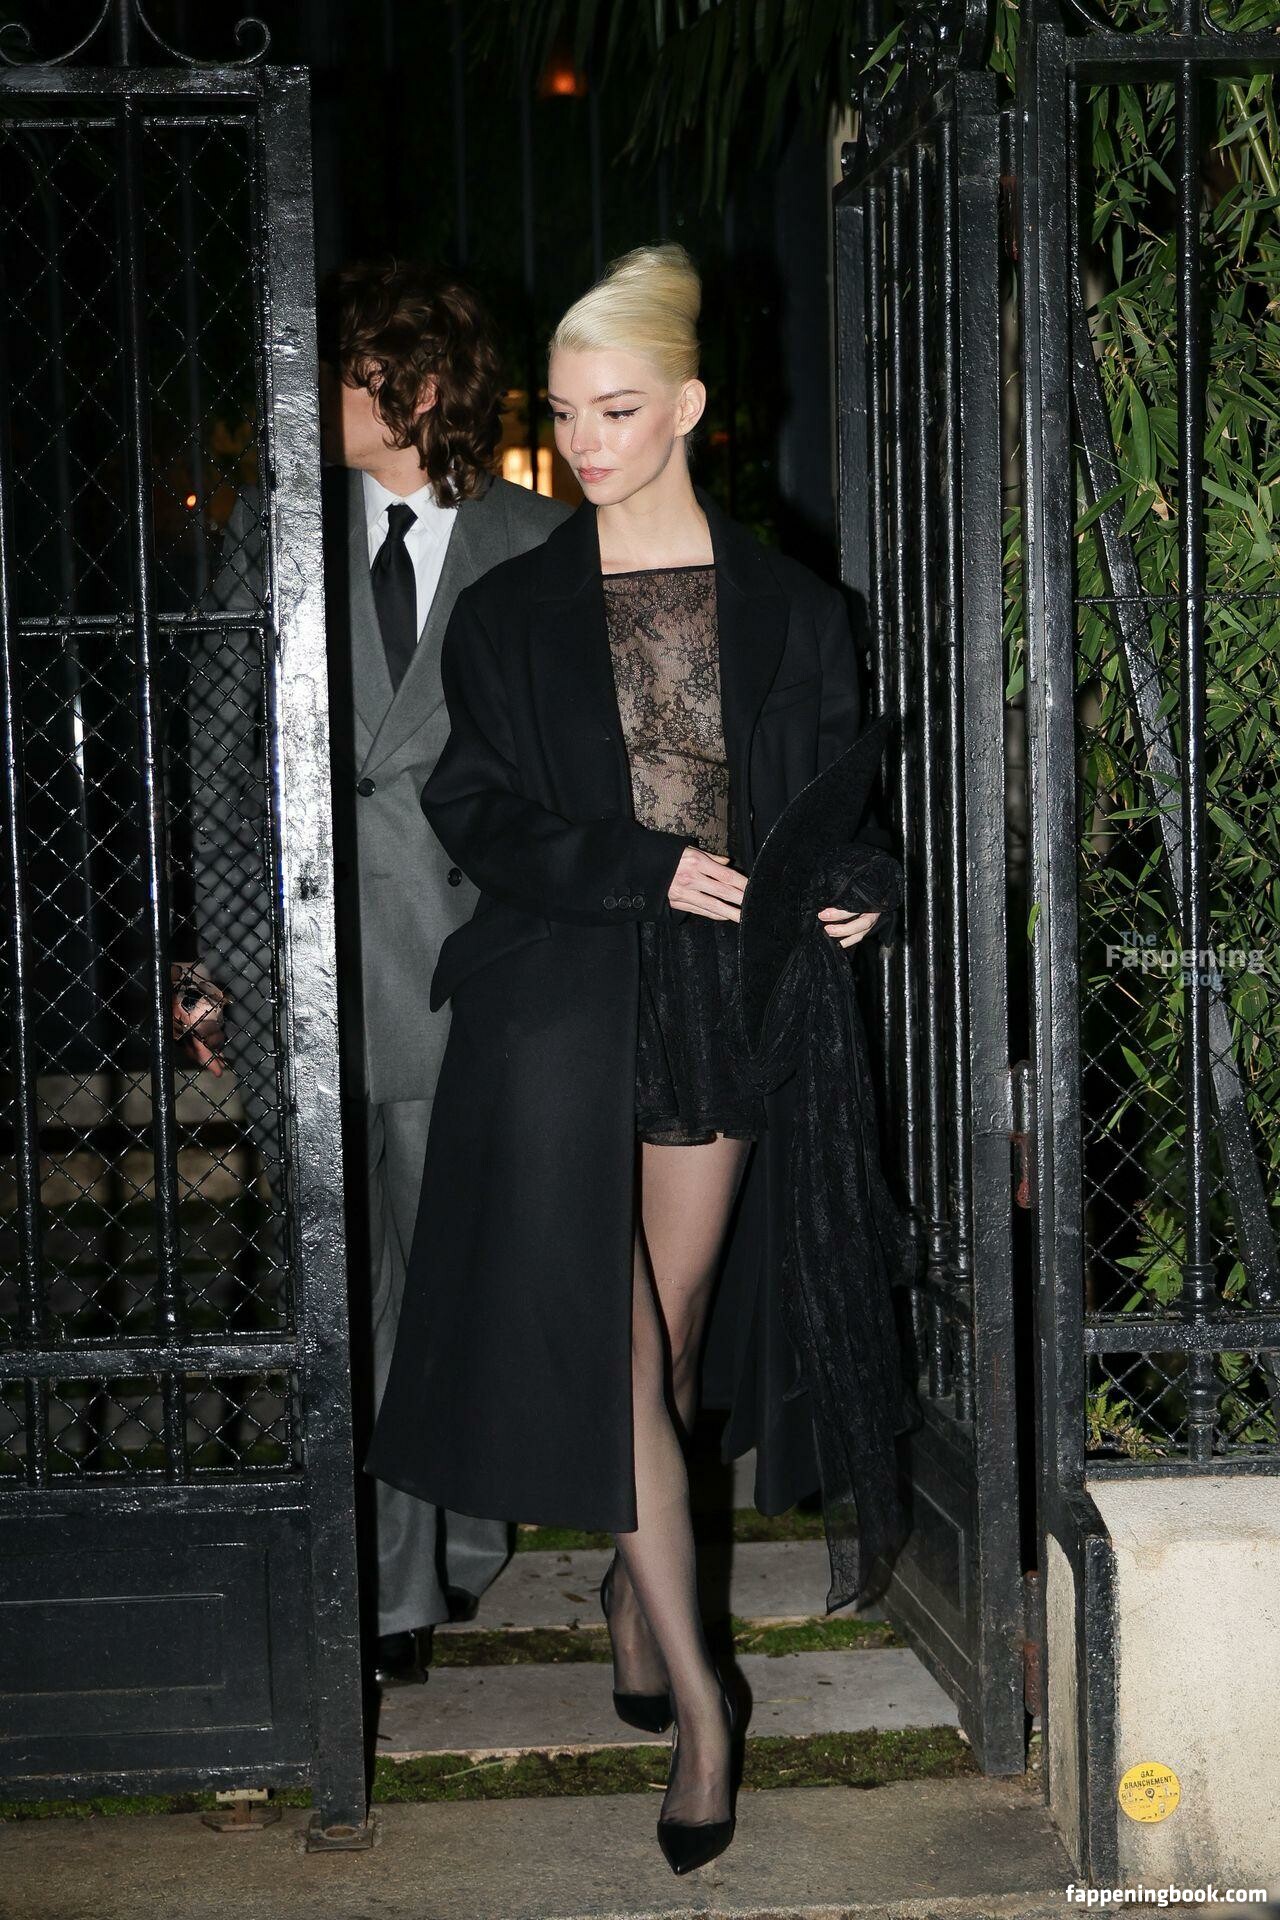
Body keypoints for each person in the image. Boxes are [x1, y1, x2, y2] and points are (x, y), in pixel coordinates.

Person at [366, 242, 890, 1873]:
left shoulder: (794, 609)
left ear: (687, 407)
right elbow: (475, 810)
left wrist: (859, 887)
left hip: (722, 1009)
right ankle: (709, 1709)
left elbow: (838, 801)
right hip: (556, 1007)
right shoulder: (511, 611)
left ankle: (630, 1583)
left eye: (614, 410)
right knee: (613, 1346)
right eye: (565, 411)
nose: (583, 442)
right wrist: (637, 865)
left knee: (666, 1347)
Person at [171, 257, 569, 1688]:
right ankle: (396, 1587)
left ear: (418, 388)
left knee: (460, 1272)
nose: (310, 398)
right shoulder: (275, 530)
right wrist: (222, 963)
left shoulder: (535, 538)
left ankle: (457, 1532)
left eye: (344, 374)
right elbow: (221, 756)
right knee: (353, 1283)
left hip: (477, 967)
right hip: (316, 965)